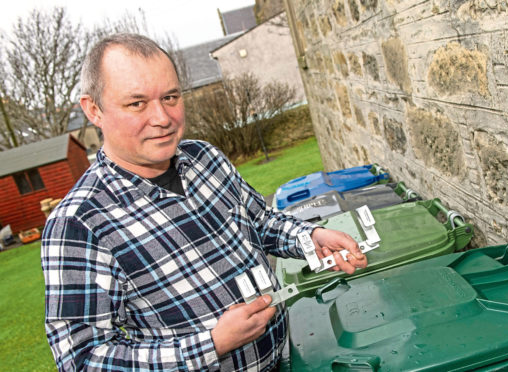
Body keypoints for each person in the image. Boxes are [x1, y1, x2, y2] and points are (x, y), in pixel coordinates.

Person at [41, 33, 367, 372]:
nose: (162, 117)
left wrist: (310, 238)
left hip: (286, 359)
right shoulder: (78, 224)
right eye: (137, 103)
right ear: (94, 109)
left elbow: (260, 222)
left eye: (170, 97)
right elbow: (82, 360)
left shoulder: (205, 157)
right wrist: (211, 344)